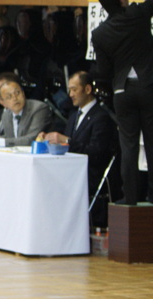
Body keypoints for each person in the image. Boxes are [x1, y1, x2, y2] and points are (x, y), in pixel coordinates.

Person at [92, 0, 153, 205]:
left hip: (121, 90)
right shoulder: (137, 13)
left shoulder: (100, 33)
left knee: (128, 145)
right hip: (148, 85)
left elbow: (103, 72)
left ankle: (130, 197)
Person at [42, 72, 118, 227]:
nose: (70, 94)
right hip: (71, 170)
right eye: (69, 90)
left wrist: (67, 141)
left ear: (88, 89)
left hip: (90, 173)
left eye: (74, 89)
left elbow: (97, 153)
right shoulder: (74, 115)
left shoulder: (101, 117)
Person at [0, 71, 52, 147]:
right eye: (9, 96)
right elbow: (11, 138)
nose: (15, 98)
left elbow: (32, 139)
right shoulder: (6, 114)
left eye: (17, 93)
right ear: (2, 102)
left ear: (23, 93)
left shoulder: (39, 109)